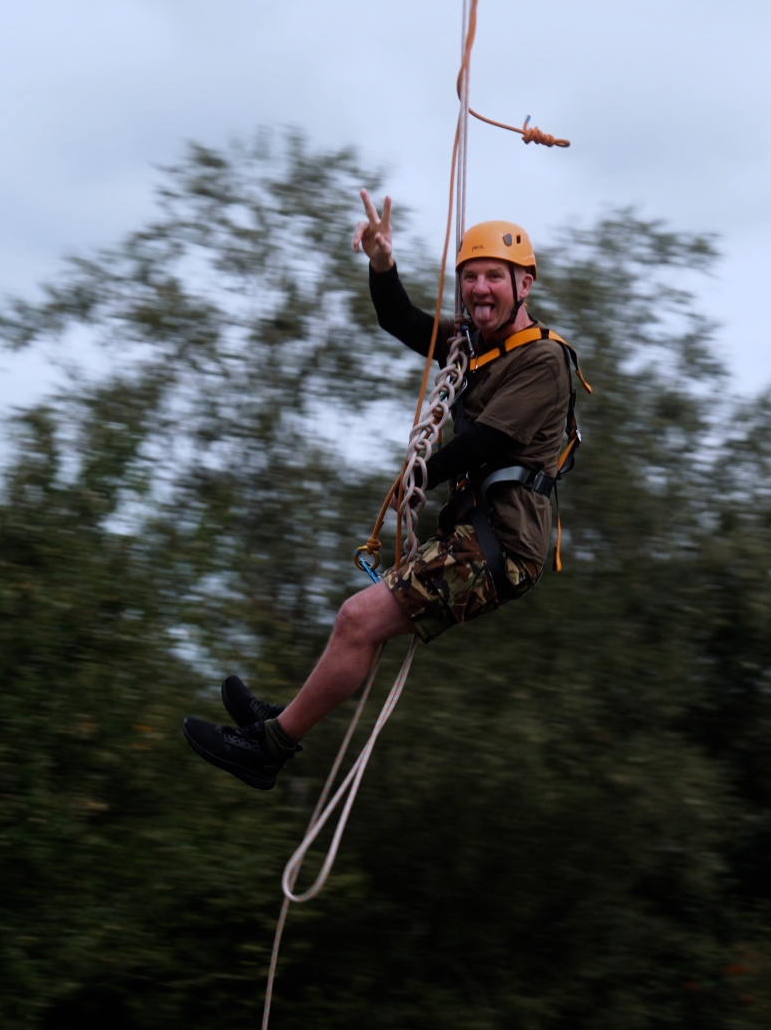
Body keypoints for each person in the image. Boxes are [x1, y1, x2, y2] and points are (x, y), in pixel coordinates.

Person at [181, 191, 582, 790]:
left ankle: (269, 747)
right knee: (356, 623)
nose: (479, 289)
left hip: (503, 547)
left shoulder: (542, 360)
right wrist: (381, 262)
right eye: (469, 278)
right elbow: (400, 319)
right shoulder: (471, 346)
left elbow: (487, 442)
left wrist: (417, 477)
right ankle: (282, 723)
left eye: (494, 277)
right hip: (477, 536)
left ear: (524, 286)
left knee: (357, 619)